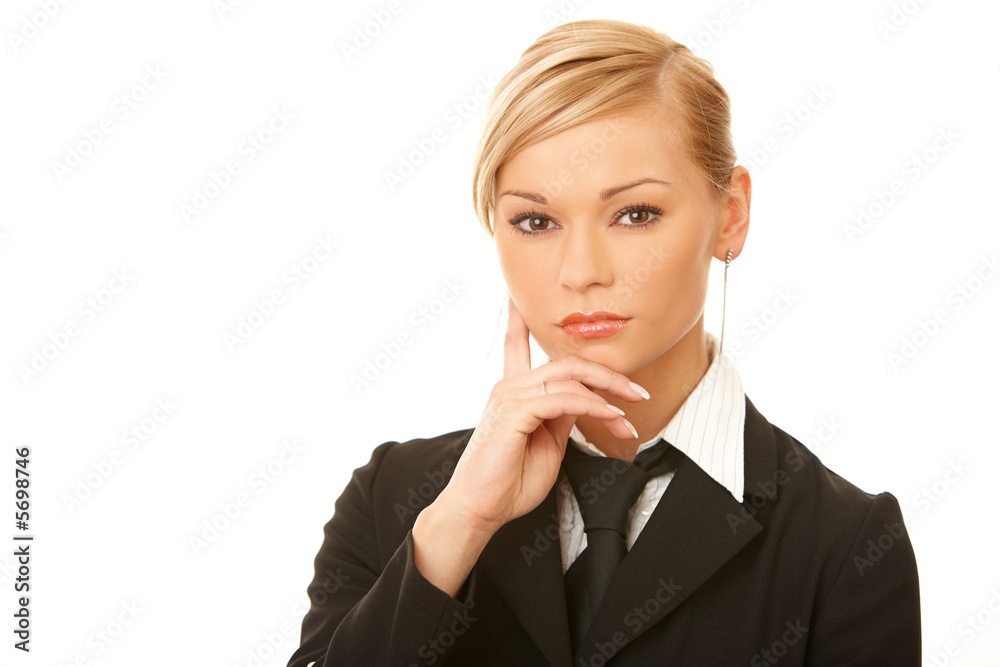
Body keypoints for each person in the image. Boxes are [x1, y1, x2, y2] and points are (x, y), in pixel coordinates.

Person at [287, 18, 920, 667]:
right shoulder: (396, 497)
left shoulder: (845, 544)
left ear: (730, 214)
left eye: (635, 214)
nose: (581, 270)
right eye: (536, 221)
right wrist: (460, 524)